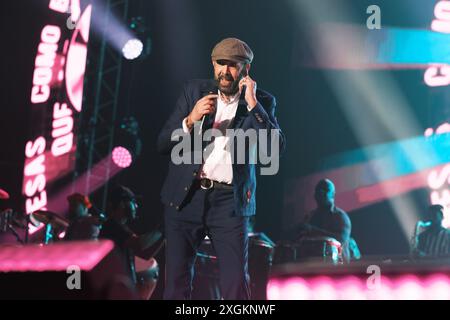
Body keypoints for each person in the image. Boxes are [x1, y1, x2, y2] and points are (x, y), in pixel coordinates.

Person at [157, 37, 285, 299]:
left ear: (245, 70)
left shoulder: (262, 102)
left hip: (229, 203)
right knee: (176, 284)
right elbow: (162, 144)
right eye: (220, 64)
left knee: (235, 283)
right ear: (213, 64)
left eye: (233, 65)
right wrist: (190, 120)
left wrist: (253, 105)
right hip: (186, 197)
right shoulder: (193, 91)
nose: (225, 71)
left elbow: (274, 148)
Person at [99, 185, 163, 298]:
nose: (136, 206)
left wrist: (165, 233)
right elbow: (140, 244)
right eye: (133, 202)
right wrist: (163, 228)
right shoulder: (112, 226)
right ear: (122, 204)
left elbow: (145, 254)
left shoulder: (120, 228)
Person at [298, 179, 352, 262]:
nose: (321, 192)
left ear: (333, 195)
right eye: (318, 190)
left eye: (325, 190)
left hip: (337, 267)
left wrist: (313, 230)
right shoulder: (310, 216)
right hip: (313, 265)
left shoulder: (341, 217)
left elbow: (341, 239)